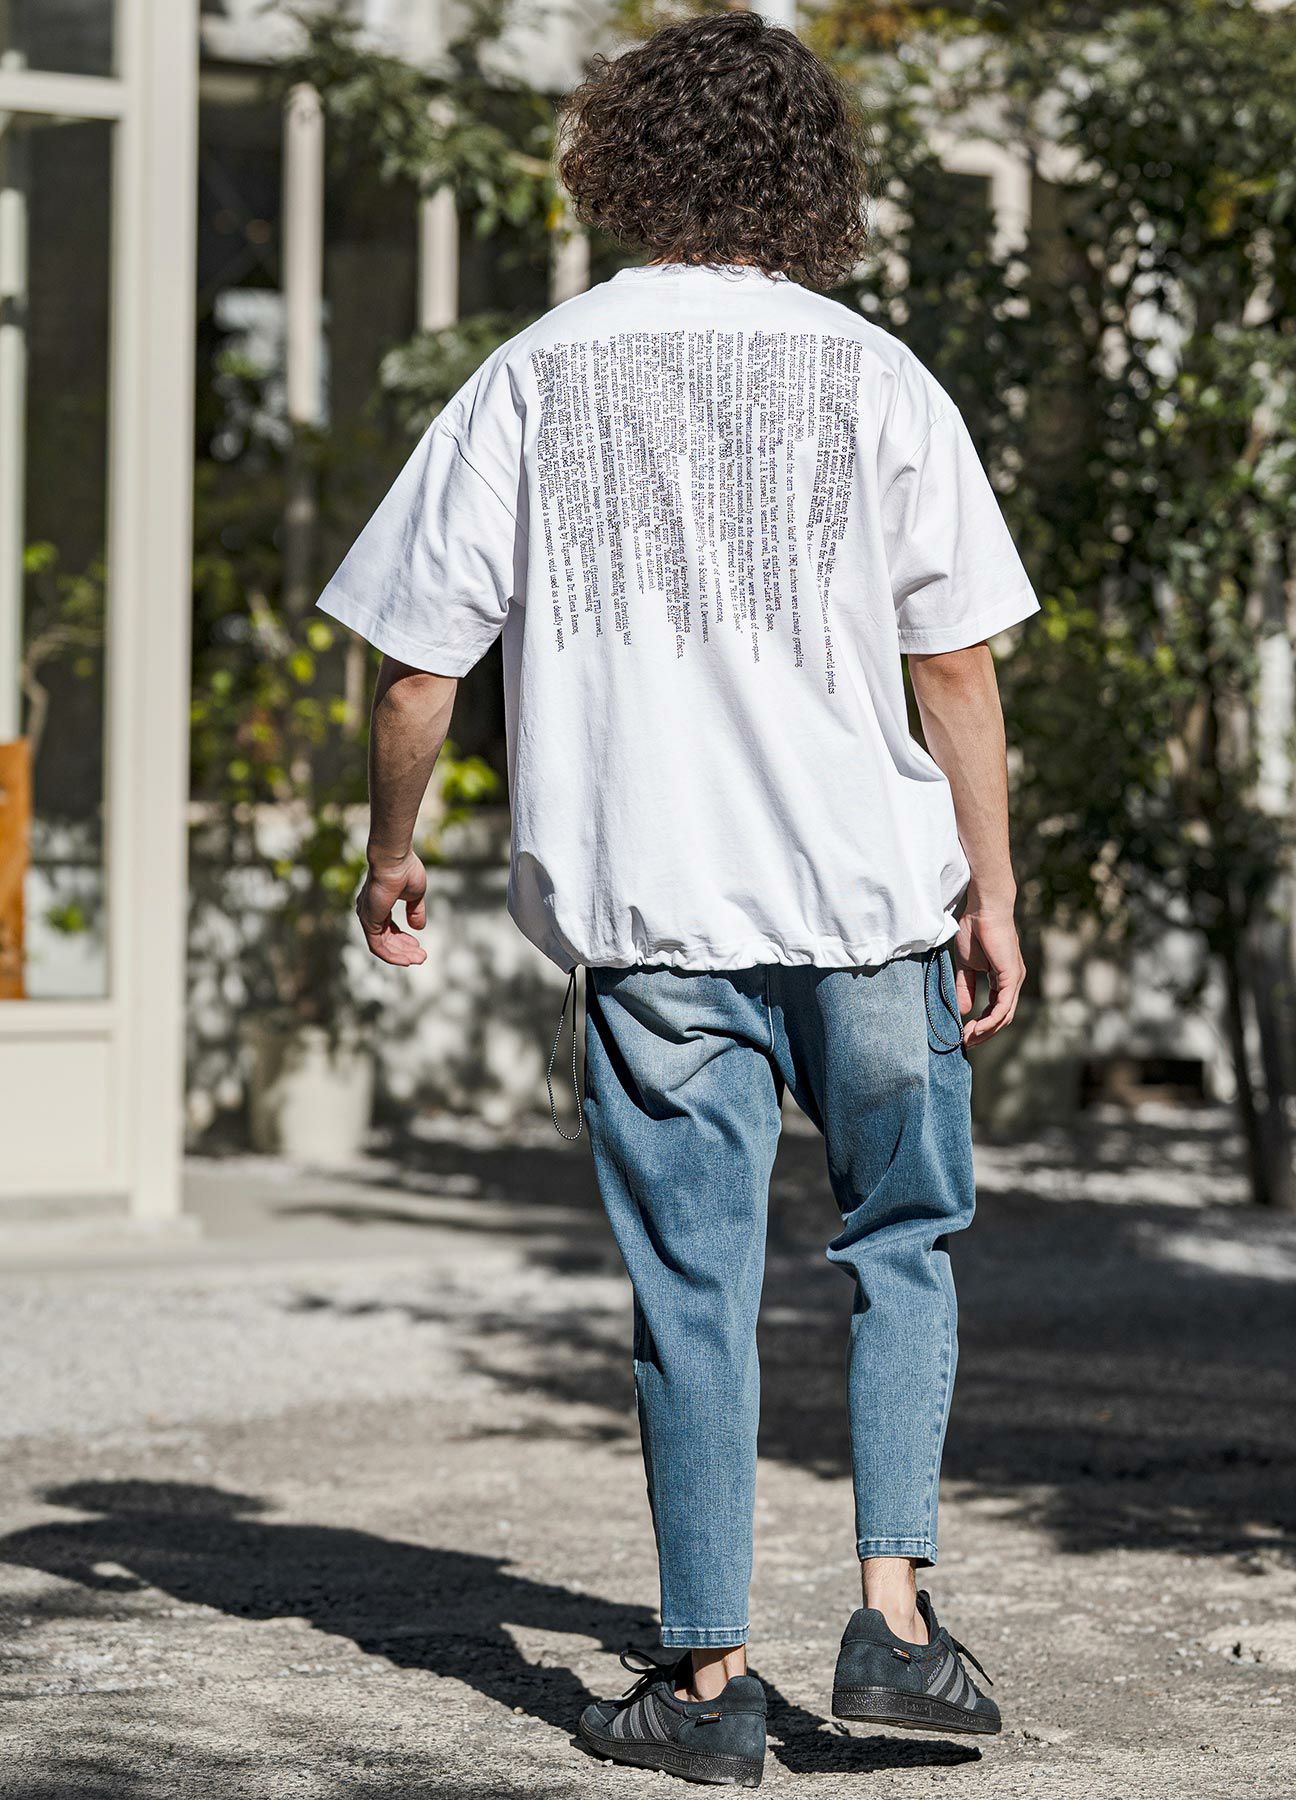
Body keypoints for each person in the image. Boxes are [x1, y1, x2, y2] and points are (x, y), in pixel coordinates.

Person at [317, 11, 1037, 1789]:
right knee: (901, 1246)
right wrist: (996, 891)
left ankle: (708, 1682)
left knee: (693, 1290)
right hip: (871, 906)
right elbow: (954, 667)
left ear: (624, 163)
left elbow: (417, 672)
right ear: (811, 177)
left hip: (658, 931)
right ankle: (898, 1627)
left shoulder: (534, 373)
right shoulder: (878, 376)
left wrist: (394, 848)